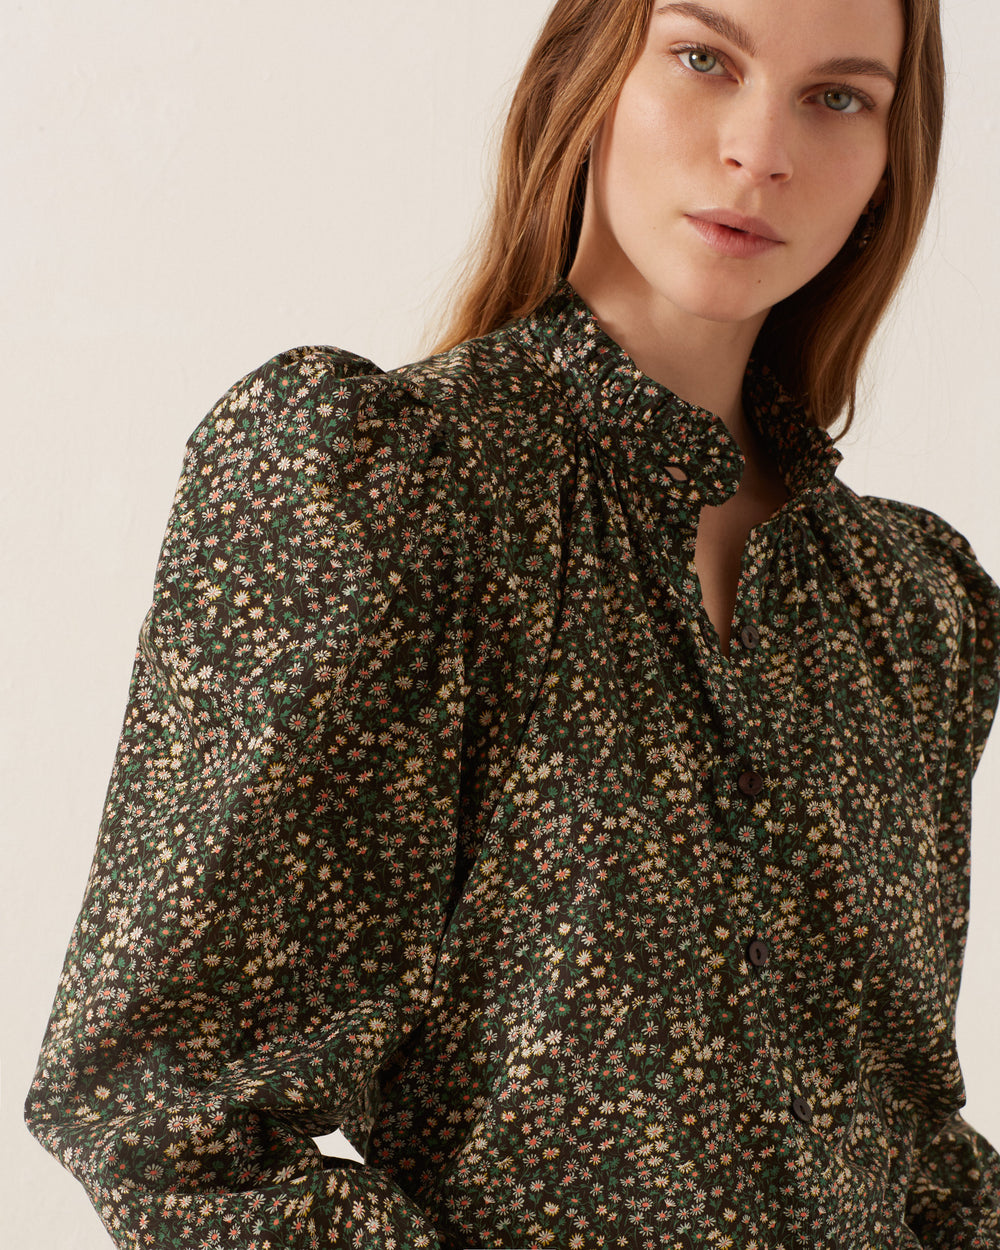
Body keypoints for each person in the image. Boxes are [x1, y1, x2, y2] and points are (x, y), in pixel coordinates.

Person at [25, 0, 1000, 1245]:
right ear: (585, 76)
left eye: (838, 97)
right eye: (704, 59)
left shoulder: (906, 605)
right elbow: (163, 1118)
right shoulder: (388, 487)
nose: (762, 148)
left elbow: (907, 1139)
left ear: (885, 162)